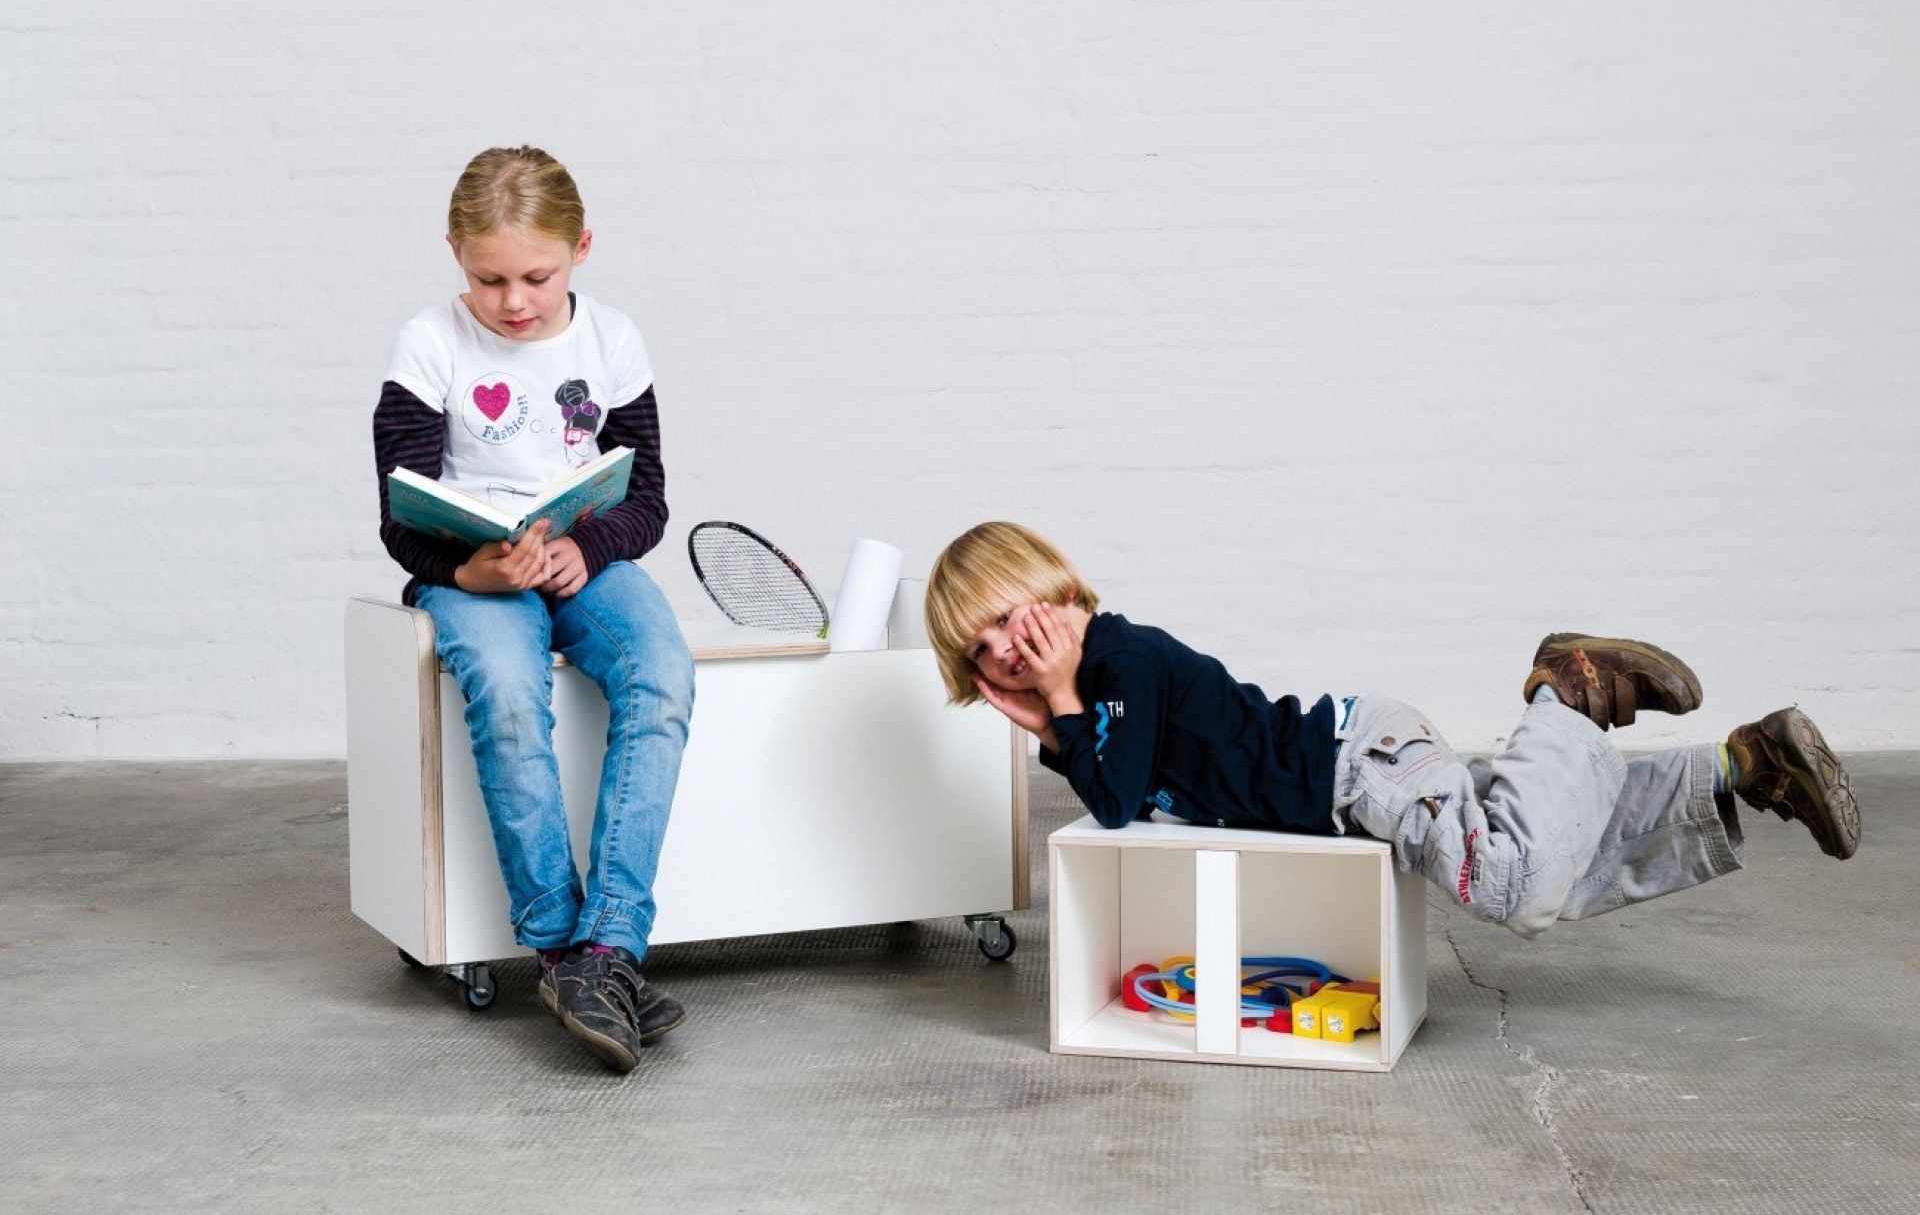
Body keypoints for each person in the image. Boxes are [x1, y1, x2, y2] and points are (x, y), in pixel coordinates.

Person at [924, 521, 1860, 939]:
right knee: (1565, 854)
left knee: (1510, 884)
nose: (1005, 651)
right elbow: (1118, 790)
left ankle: (1570, 692)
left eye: (1008, 618)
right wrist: (1052, 717)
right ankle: (1747, 764)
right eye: (982, 651)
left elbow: (1114, 802)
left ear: (1047, 585)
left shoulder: (1116, 662)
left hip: (1356, 770)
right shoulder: (1094, 688)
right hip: (1362, 776)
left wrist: (1054, 705)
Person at [372, 146, 694, 1071]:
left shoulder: (613, 341)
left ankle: (609, 946)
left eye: (538, 278)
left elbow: (647, 499)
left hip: (581, 561)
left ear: (581, 248)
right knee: (509, 692)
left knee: (661, 674)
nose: (514, 302)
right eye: (489, 280)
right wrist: (466, 572)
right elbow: (399, 513)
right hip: (472, 570)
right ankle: (558, 944)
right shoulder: (430, 344)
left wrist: (585, 549)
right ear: (455, 256)